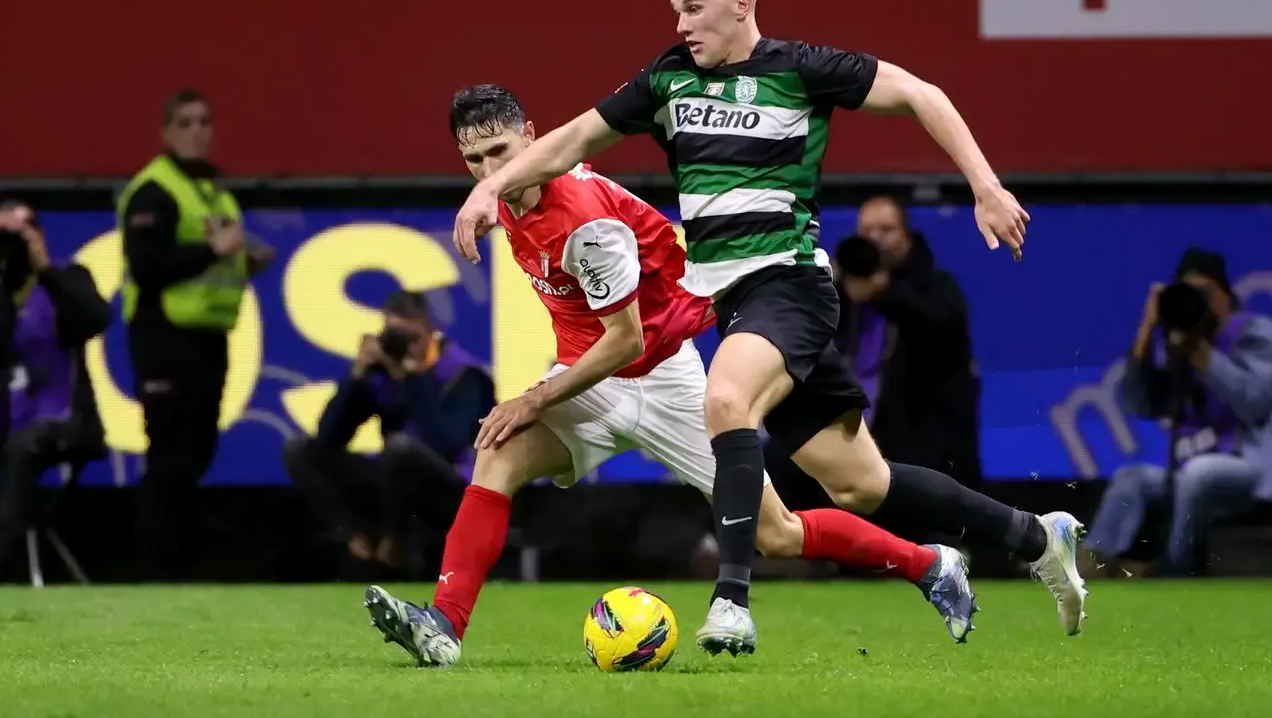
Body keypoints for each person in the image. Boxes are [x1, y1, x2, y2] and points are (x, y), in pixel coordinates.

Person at [450, 0, 1086, 654]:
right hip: (737, 303)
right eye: (676, 10)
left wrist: (985, 184)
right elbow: (570, 138)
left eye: (694, 7)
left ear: (741, 2)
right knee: (861, 485)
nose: (683, 24)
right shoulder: (669, 79)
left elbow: (921, 94)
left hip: (790, 284)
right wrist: (489, 189)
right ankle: (1034, 534)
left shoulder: (800, 68)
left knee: (726, 401)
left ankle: (731, 600)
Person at [362, 85, 978, 669]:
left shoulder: (584, 222)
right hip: (593, 380)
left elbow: (625, 339)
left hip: (662, 377)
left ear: (532, 135)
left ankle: (930, 565)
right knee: (496, 452)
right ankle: (442, 627)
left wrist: (537, 397)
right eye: (474, 158)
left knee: (777, 534)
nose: (488, 167)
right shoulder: (504, 196)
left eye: (500, 151)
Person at [117, 88, 274, 580]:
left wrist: (242, 258)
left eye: (204, 121)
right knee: (169, 451)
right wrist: (214, 252)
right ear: (165, 131)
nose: (197, 131)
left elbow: (215, 256)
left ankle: (180, 559)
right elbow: (146, 266)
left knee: (198, 449)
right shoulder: (154, 190)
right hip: (164, 335)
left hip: (209, 337)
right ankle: (159, 565)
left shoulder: (213, 190)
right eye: (185, 122)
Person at [1082, 249, 1272, 576]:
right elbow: (1141, 405)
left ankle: (1173, 571)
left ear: (1226, 296)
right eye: (1189, 294)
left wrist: (1204, 356)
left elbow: (1256, 403)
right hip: (1188, 474)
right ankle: (1091, 564)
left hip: (1254, 469)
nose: (1197, 302)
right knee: (1133, 479)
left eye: (1204, 294)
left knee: (1199, 473)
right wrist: (1147, 331)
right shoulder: (1179, 342)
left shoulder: (1253, 333)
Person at [283, 290, 494, 577]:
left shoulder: (464, 374)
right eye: (393, 334)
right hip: (393, 483)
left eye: (410, 336)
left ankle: (395, 540)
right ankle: (357, 536)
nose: (402, 344)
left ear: (429, 332)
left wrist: (412, 376)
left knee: (400, 448)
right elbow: (329, 438)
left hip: (452, 487)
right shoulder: (384, 373)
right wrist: (357, 376)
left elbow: (447, 444)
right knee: (299, 450)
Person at [0, 201, 110, 578]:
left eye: (20, 232)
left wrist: (46, 272)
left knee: (23, 447)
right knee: (15, 444)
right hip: (3, 419)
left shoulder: (68, 279)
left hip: (63, 420)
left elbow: (95, 319)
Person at [837, 195, 980, 488]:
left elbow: (941, 326)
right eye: (867, 232)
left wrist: (884, 292)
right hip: (859, 445)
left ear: (906, 234)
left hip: (928, 450)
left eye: (886, 229)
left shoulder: (936, 287)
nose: (875, 239)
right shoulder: (843, 293)